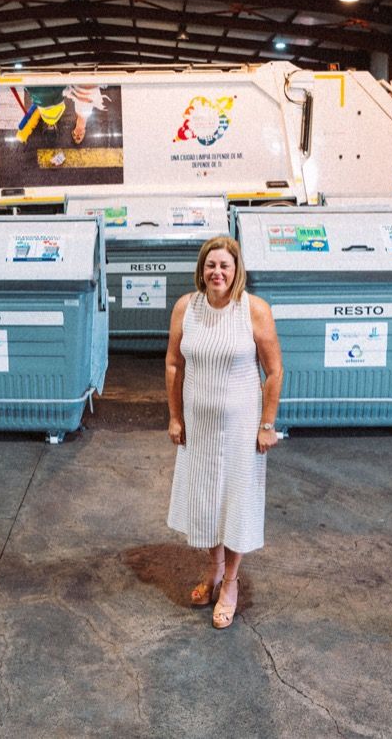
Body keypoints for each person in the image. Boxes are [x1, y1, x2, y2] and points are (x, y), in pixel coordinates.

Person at [165, 235, 283, 630]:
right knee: (205, 502)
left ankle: (230, 583)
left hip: (241, 429)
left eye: (225, 266)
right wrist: (175, 417)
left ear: (237, 272)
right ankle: (213, 570)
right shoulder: (187, 307)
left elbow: (274, 371)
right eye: (210, 265)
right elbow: (173, 365)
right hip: (198, 427)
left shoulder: (254, 310)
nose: (217, 272)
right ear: (201, 270)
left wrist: (267, 425)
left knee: (234, 502)